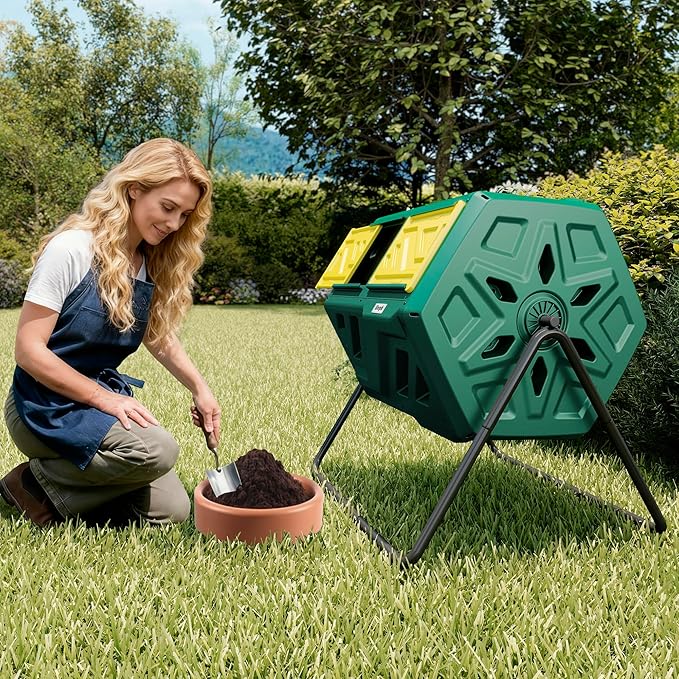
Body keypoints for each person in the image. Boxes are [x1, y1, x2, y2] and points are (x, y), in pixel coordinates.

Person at [0, 137, 220, 527]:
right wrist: (106, 399)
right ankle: (31, 484)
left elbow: (156, 334)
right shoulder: (72, 249)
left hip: (95, 403)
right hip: (42, 403)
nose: (173, 224)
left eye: (184, 215)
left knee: (171, 511)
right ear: (134, 189)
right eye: (167, 207)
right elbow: (28, 351)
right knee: (158, 450)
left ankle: (63, 499)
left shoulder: (148, 260)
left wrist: (200, 389)